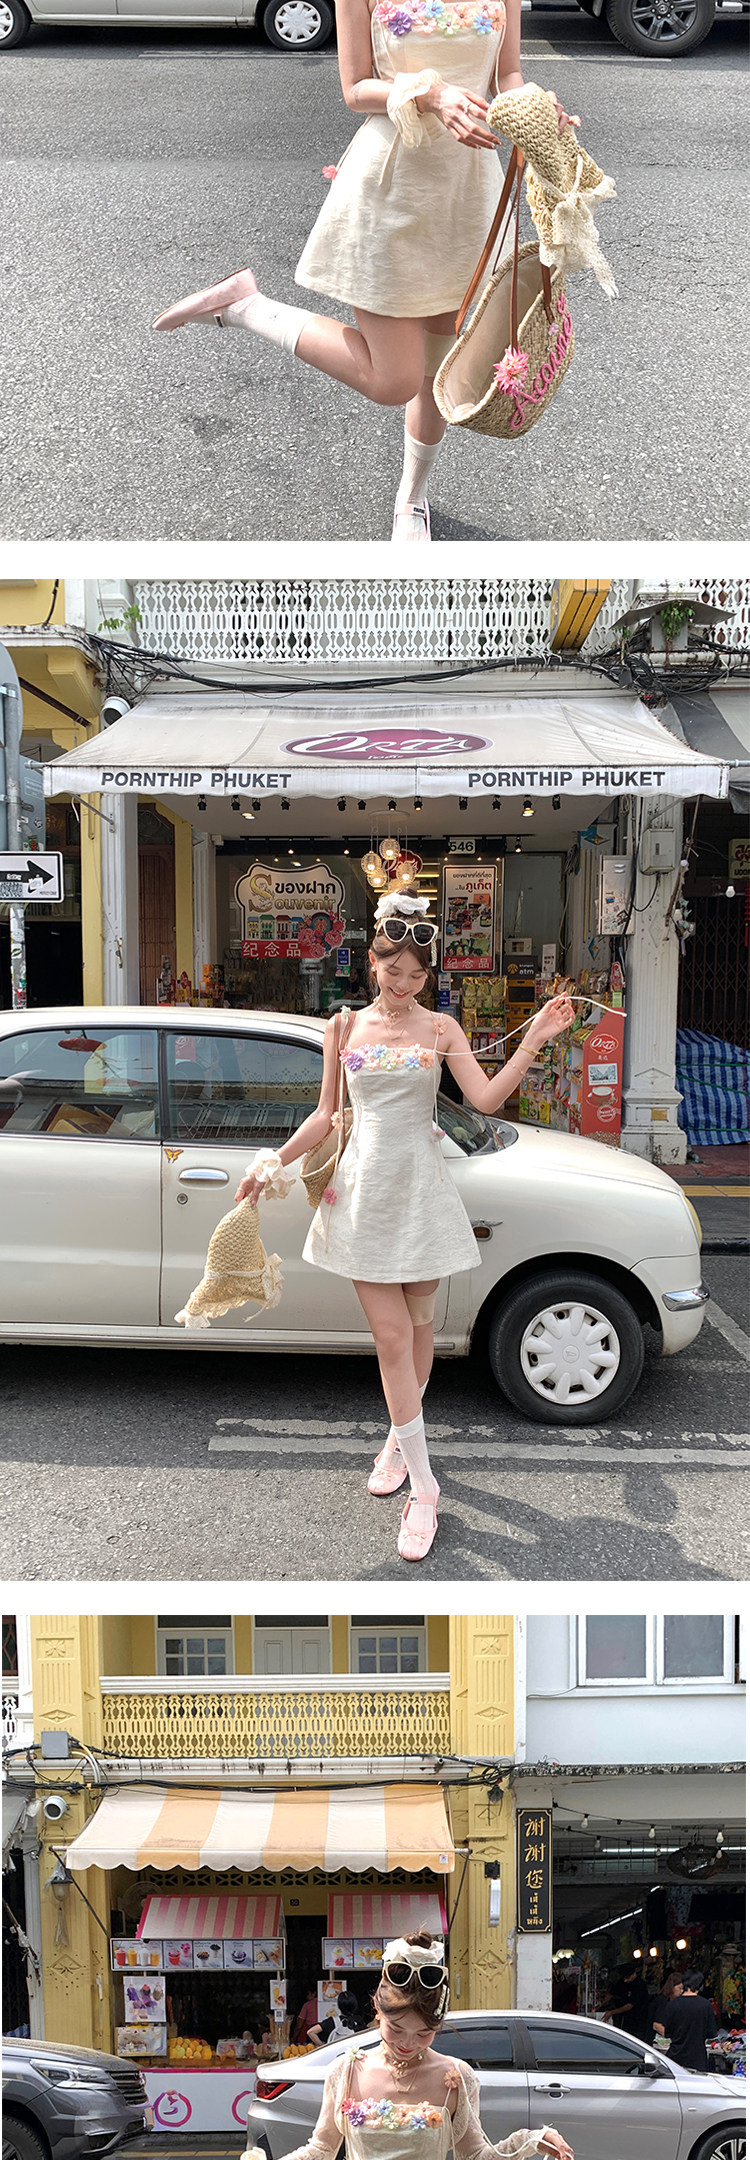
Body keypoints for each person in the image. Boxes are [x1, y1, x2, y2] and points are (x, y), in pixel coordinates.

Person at [234, 887, 574, 1561]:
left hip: (422, 1195)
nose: (403, 983)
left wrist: (533, 1039)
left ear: (428, 976)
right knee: (391, 1338)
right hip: (364, 1197)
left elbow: (484, 1099)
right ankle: (425, 1487)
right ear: (373, 961)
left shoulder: (441, 1029)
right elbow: (325, 1115)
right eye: (393, 970)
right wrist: (271, 1162)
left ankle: (397, 1438)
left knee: (419, 1331)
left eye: (416, 975)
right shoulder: (342, 1027)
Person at [152, 3, 578, 541]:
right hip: (389, 185)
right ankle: (245, 307)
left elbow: (506, 75)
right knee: (393, 380)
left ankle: (413, 500)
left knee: (437, 368)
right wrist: (431, 94)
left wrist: (538, 107)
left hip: (468, 193)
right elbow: (356, 88)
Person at [247, 1934, 573, 2160]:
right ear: (377, 2010)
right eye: (396, 2029)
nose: (407, 2043)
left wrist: (529, 2140)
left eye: (424, 2033)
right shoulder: (346, 2071)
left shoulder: (457, 2077)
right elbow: (321, 2150)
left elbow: (475, 2154)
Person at [653, 1972, 718, 2073]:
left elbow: (668, 2033)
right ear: (700, 1985)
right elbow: (711, 2033)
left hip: (675, 2057)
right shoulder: (706, 2005)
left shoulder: (672, 2004)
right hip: (698, 2058)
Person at [648, 1972, 683, 2042]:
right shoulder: (662, 2001)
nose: (682, 1991)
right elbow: (656, 2025)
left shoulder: (677, 2002)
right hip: (657, 2041)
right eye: (680, 1988)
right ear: (672, 1987)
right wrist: (675, 2038)